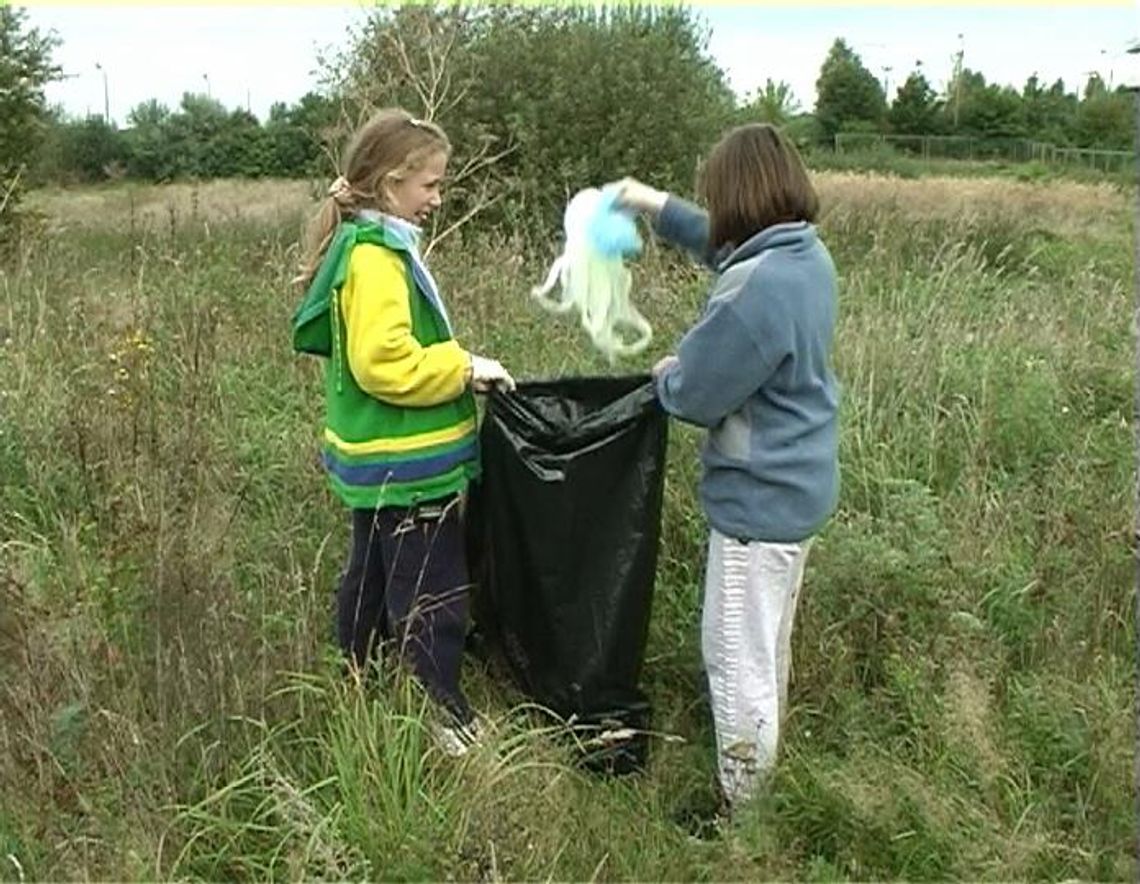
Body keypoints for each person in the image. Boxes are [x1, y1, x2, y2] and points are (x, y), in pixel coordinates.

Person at [609, 123, 839, 806]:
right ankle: (762, 780)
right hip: (798, 491)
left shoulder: (755, 290)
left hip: (755, 509)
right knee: (765, 646)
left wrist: (665, 375)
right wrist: (653, 204)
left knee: (736, 660)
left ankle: (744, 816)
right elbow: (726, 249)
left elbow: (698, 394)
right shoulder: (802, 256)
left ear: (736, 197)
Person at [291, 108, 515, 754]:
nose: (437, 199)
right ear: (390, 183)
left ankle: (356, 680)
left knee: (369, 576)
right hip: (409, 462)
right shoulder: (376, 260)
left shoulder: (362, 245)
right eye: (430, 185)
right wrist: (465, 367)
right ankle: (441, 713)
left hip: (376, 458)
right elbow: (383, 360)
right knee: (430, 590)